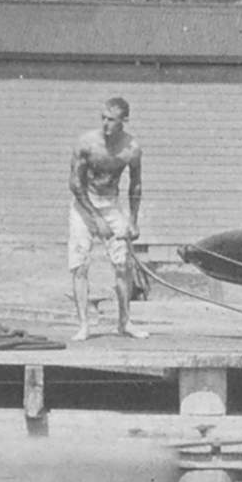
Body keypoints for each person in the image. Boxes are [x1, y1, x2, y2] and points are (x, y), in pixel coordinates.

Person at [70, 94, 144, 339]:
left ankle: (125, 322)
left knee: (123, 264)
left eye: (111, 120)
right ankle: (84, 325)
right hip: (84, 204)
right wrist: (96, 218)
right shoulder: (87, 144)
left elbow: (136, 184)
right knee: (80, 263)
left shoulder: (131, 149)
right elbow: (75, 184)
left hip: (111, 203)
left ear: (124, 121)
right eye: (103, 118)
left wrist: (133, 220)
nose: (105, 124)